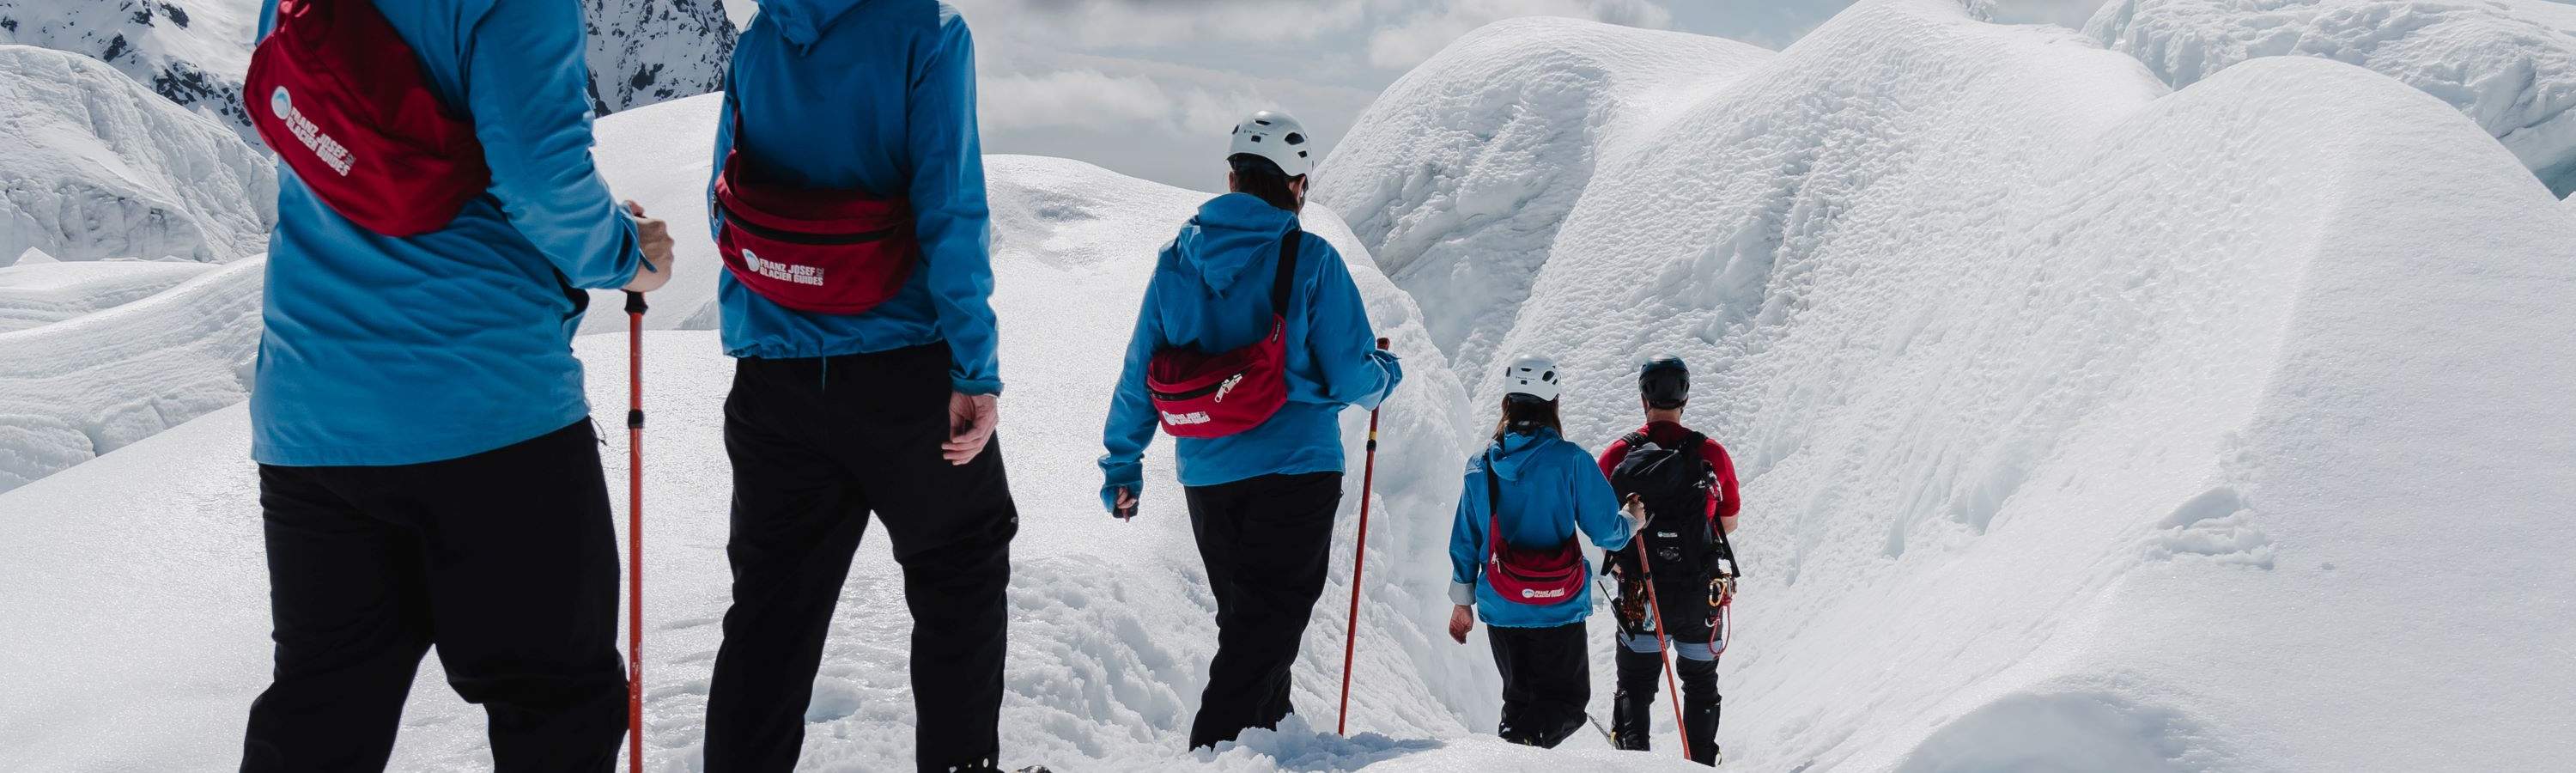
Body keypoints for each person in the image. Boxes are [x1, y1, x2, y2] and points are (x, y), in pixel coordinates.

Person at [240, 0, 675, 769]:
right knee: (555, 706)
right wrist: (626, 255)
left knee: (320, 715)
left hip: (311, 411)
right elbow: (541, 181)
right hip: (490, 414)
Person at [696, 2, 1018, 772]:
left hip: (772, 378)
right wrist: (975, 370)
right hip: (902, 372)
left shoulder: (763, 37)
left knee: (771, 614)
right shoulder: (930, 32)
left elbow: (722, 206)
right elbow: (952, 207)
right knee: (961, 564)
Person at [1098, 109, 1403, 750]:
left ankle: (1266, 745)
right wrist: (1387, 376)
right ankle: (1212, 750)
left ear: (1233, 179)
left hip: (1207, 471)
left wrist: (1124, 462)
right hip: (1295, 467)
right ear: (1297, 185)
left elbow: (1141, 367)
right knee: (1266, 623)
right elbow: (1351, 376)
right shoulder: (1311, 258)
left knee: (1250, 623)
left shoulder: (1178, 259)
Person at [1444, 356, 1644, 748]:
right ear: (1553, 403)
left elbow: (1466, 538)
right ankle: (1516, 749)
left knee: (1519, 702)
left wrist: (1462, 601)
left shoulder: (1480, 465)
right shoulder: (1571, 460)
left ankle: (1511, 747)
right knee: (1568, 704)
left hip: (1501, 606)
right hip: (1557, 606)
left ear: (1507, 403)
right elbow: (1608, 533)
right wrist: (1633, 519)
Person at [1597, 356, 1742, 765]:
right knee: (1699, 685)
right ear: (1685, 399)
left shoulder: (1618, 454)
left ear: (1644, 399)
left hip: (1641, 594)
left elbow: (1598, 520)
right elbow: (1727, 522)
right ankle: (1699, 762)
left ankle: (1631, 757)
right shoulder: (1710, 452)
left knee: (1636, 686)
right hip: (1699, 594)